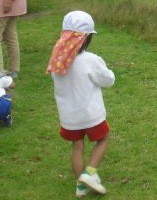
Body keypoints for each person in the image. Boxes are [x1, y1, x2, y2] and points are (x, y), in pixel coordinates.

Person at [48, 11, 115, 196]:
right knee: (103, 139)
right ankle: (89, 173)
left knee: (77, 147)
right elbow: (107, 80)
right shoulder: (91, 60)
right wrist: (110, 74)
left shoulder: (57, 62)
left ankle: (81, 186)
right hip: (91, 115)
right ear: (86, 38)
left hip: (69, 117)